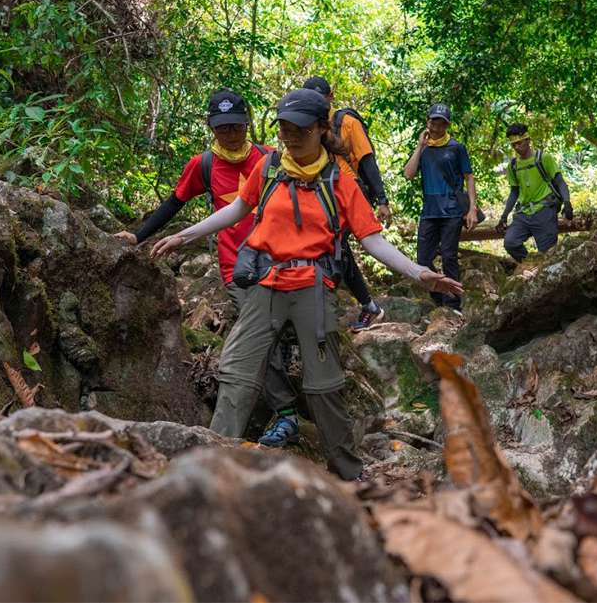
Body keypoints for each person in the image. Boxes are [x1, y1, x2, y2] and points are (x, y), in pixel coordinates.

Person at [150, 88, 462, 480]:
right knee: (236, 371)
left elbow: (372, 240)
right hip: (266, 281)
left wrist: (420, 273)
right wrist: (185, 236)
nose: (289, 136)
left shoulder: (340, 181)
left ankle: (349, 474)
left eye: (298, 128)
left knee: (323, 386)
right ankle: (210, 468)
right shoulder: (269, 169)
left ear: (319, 128)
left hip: (313, 285)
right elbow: (236, 210)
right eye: (283, 127)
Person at [111, 89, 298, 438]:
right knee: (258, 335)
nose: (230, 134)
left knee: (275, 330)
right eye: (222, 128)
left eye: (236, 127)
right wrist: (138, 236)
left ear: (248, 123)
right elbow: (174, 202)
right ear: (210, 127)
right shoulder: (204, 165)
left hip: (279, 264)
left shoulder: (270, 159)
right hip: (236, 270)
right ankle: (286, 413)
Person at [301, 75, 390, 330]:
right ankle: (368, 306)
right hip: (323, 194)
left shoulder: (346, 122)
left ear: (330, 98)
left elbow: (367, 161)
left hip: (350, 191)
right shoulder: (305, 126)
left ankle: (346, 306)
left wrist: (382, 199)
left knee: (335, 244)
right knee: (336, 246)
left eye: (321, 98)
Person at [403, 103, 477, 312]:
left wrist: (472, 208)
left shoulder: (456, 148)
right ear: (428, 122)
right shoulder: (423, 149)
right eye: (434, 121)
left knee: (449, 255)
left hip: (452, 210)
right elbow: (408, 174)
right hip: (429, 211)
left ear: (447, 124)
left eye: (441, 122)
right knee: (423, 259)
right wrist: (419, 146)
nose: (437, 126)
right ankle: (439, 297)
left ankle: (453, 305)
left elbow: (469, 177)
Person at [497, 123, 574, 262]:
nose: (516, 147)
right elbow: (514, 192)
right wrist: (504, 216)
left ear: (528, 140)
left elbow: (560, 182)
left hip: (545, 212)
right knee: (510, 242)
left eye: (519, 143)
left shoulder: (544, 159)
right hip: (523, 213)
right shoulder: (513, 165)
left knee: (547, 256)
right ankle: (530, 265)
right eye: (513, 144)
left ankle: (540, 271)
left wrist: (567, 203)